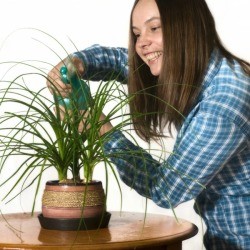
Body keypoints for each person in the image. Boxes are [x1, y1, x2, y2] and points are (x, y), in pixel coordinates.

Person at [47, 0, 250, 249]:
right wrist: (79, 62)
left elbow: (166, 189)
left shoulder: (223, 105)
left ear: (189, 28)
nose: (141, 43)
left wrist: (100, 128)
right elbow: (128, 63)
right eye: (136, 33)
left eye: (154, 28)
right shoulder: (195, 70)